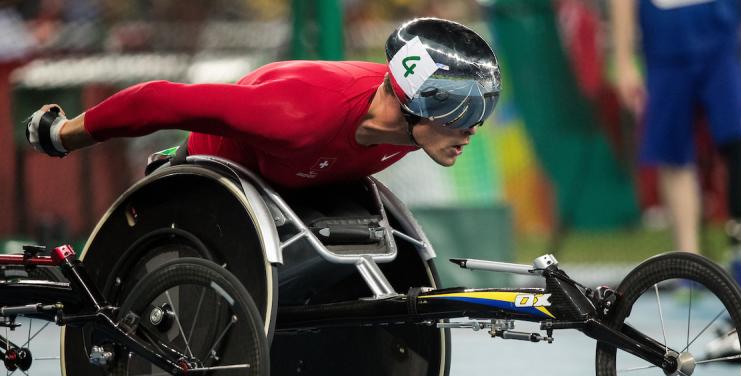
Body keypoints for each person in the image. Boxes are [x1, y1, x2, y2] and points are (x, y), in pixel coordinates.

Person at [25, 17, 501, 190]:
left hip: (315, 173)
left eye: (477, 109)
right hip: (224, 166)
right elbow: (161, 100)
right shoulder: (298, 115)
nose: (471, 127)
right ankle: (174, 162)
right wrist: (64, 133)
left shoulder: (423, 126)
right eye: (459, 110)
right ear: (411, 100)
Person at [610, 0, 741, 285]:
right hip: (665, 40)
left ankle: (738, 246)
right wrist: (622, 58)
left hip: (719, 32)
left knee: (735, 139)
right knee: (674, 152)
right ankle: (687, 263)